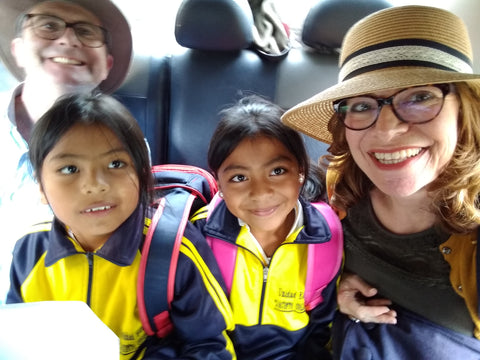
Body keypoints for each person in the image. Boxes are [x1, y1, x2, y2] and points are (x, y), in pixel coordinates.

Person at [281, 5, 480, 359]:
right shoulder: (339, 187)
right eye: (361, 105)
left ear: (464, 112)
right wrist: (334, 290)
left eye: (420, 97)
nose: (387, 129)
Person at [6, 92, 235, 360]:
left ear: (141, 174)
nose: (95, 184)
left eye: (115, 164)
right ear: (41, 187)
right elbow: (17, 336)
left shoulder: (176, 252)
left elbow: (209, 346)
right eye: (69, 169)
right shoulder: (30, 250)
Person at [0, 0, 132, 304]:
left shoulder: (126, 145)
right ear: (18, 48)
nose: (68, 40)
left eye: (86, 32)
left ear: (106, 65)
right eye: (48, 25)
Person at [191, 95, 342, 359]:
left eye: (277, 171)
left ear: (301, 172)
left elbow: (322, 331)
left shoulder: (327, 237)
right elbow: (199, 334)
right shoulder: (200, 237)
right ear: (220, 184)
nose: (260, 192)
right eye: (239, 177)